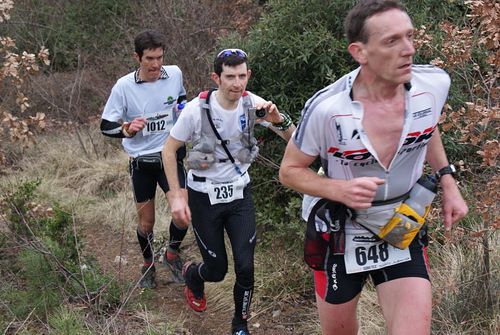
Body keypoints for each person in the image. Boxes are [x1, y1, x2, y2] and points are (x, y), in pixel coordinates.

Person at [279, 1, 468, 334]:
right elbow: (290, 171)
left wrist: (448, 181)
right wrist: (338, 189)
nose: (408, 49)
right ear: (360, 52)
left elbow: (426, 126)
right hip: (340, 228)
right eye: (392, 41)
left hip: (401, 220)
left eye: (409, 37)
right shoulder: (327, 108)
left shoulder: (433, 84)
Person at [162, 48, 295, 335]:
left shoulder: (254, 105)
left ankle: (239, 324)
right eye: (230, 77)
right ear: (216, 78)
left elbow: (294, 138)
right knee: (217, 270)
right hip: (203, 198)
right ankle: (192, 275)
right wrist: (177, 195)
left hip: (239, 197)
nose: (237, 83)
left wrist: (277, 120)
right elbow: (169, 150)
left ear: (248, 75)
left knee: (246, 267)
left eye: (242, 76)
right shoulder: (197, 111)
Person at [100, 29, 189, 289]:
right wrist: (125, 130)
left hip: (170, 156)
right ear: (137, 57)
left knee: (183, 214)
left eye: (159, 57)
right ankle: (148, 263)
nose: (156, 64)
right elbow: (105, 126)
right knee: (146, 222)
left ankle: (171, 254)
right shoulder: (124, 86)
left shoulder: (174, 74)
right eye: (149, 58)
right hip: (142, 162)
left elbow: (181, 99)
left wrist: (182, 110)